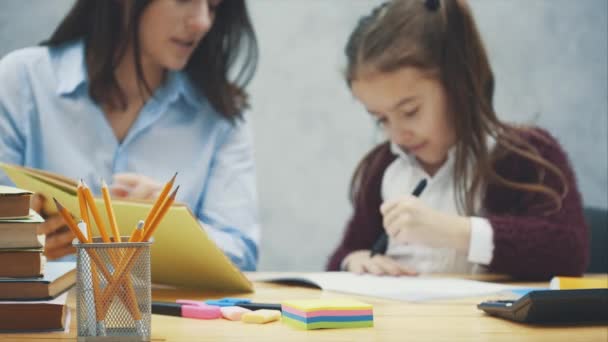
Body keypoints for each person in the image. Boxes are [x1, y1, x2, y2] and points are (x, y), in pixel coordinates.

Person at [327, 0, 588, 279]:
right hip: (399, 320)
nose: (398, 134)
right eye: (381, 119)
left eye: (410, 111)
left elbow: (568, 252)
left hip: (484, 322)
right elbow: (341, 257)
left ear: (457, 84)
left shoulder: (526, 154)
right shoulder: (382, 167)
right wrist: (353, 260)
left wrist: (451, 231)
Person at [0, 0, 261, 270]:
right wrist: (20, 235)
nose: (203, 22)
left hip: (161, 312)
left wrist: (175, 230)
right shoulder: (21, 82)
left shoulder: (221, 112)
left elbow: (241, 255)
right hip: (42, 309)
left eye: (214, 7)